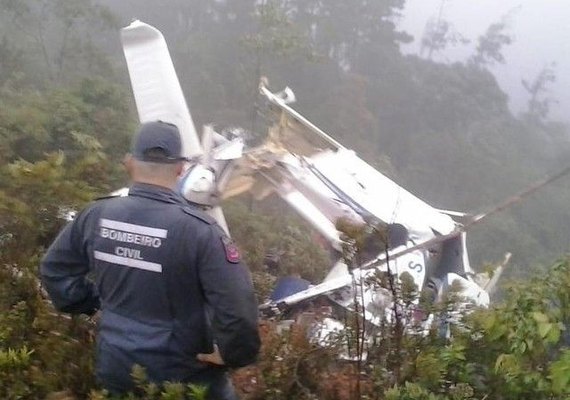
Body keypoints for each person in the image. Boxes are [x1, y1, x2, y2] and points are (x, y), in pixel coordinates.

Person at [40, 121, 261, 399]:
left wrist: (94, 304)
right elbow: (237, 306)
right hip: (187, 374)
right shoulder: (200, 232)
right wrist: (234, 354)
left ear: (129, 163)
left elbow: (54, 271)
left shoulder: (95, 216)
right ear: (181, 168)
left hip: (116, 368)